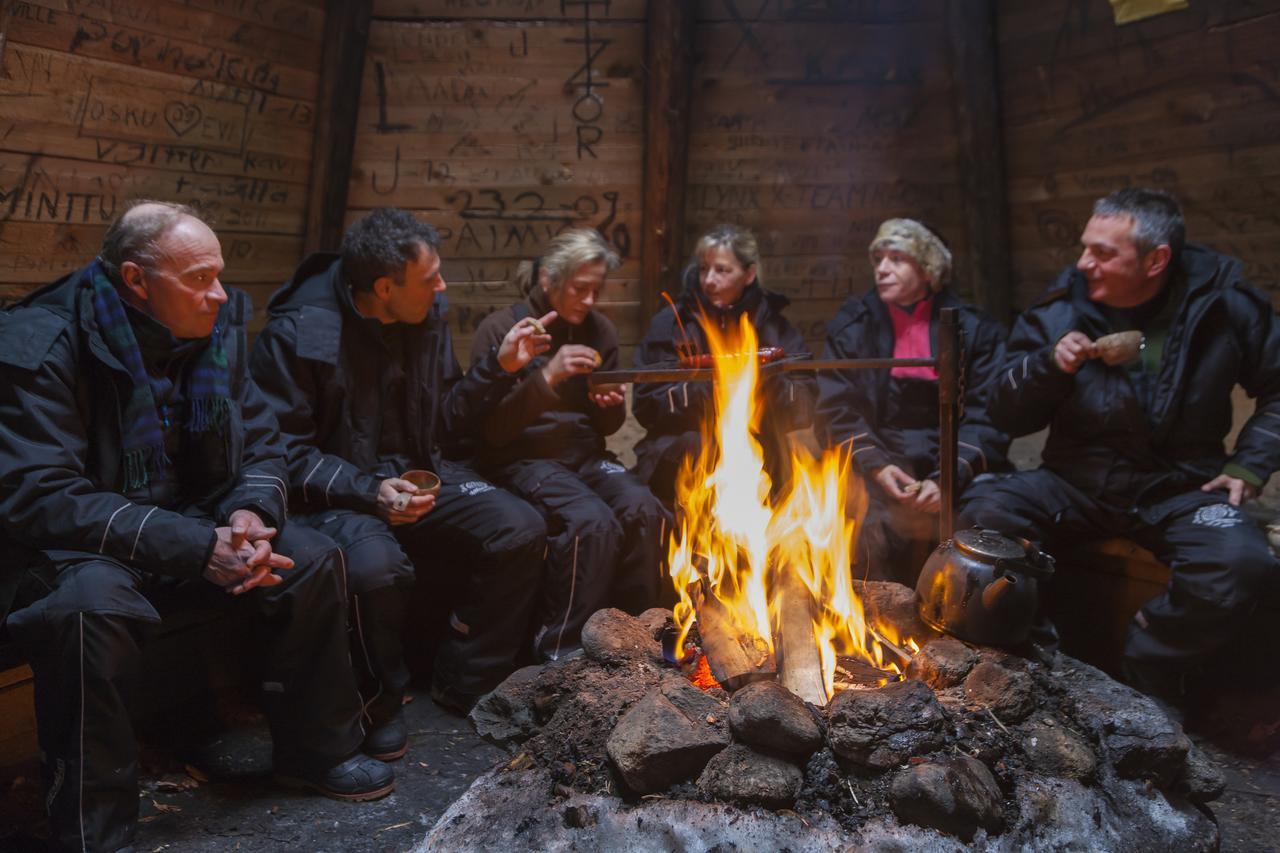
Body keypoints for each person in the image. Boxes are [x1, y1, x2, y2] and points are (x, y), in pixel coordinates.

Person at [0, 202, 392, 853]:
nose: (219, 293)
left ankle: (317, 752)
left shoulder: (215, 330)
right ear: (135, 279)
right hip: (82, 547)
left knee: (311, 555)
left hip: (193, 525)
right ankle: (95, 833)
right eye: (199, 277)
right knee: (88, 611)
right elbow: (41, 497)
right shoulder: (45, 342)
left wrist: (250, 515)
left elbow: (264, 445)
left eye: (220, 274)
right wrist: (195, 546)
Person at [959, 187, 1280, 702]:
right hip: (1074, 480)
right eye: (1085, 247)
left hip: (1181, 485)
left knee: (1240, 561)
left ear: (1156, 260)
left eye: (1103, 253)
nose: (1084, 262)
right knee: (985, 516)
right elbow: (1001, 411)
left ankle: (1147, 670)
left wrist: (1249, 467)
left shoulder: (1222, 306)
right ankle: (1042, 670)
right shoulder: (1060, 310)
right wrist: (1048, 366)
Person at [249, 208, 548, 726]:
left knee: (520, 526)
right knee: (376, 565)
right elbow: (283, 452)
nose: (442, 285)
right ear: (385, 287)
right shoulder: (302, 334)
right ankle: (376, 708)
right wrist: (370, 492)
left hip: (421, 475)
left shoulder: (425, 314)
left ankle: (468, 684)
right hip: (337, 496)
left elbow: (447, 421)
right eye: (430, 277)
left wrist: (498, 370)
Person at [469, 228, 668, 660]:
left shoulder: (600, 332)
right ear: (548, 278)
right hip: (522, 459)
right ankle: (562, 655)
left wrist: (607, 405)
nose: (590, 301)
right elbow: (491, 431)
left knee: (643, 507)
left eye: (597, 290)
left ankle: (640, 644)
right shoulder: (504, 328)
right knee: (591, 523)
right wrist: (547, 377)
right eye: (581, 289)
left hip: (584, 457)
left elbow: (607, 425)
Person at [815, 219, 1011, 585]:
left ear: (928, 269)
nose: (882, 269)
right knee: (857, 521)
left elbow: (990, 414)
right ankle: (868, 626)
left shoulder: (975, 329)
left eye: (897, 259)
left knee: (989, 521)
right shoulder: (852, 326)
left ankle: (963, 625)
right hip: (880, 458)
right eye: (878, 259)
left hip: (954, 458)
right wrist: (876, 466)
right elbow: (835, 409)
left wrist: (947, 479)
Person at [631, 224, 817, 505]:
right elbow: (645, 405)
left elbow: (805, 404)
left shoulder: (775, 328)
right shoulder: (672, 324)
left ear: (749, 274)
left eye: (722, 270)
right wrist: (710, 391)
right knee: (700, 449)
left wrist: (765, 386)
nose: (709, 280)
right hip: (682, 450)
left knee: (781, 464)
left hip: (760, 449)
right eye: (704, 269)